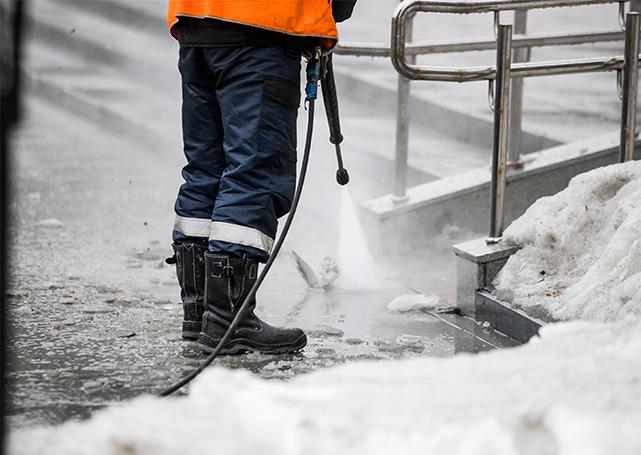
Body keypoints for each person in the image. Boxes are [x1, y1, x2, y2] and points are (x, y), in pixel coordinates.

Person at [165, 0, 357, 355]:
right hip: (263, 27)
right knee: (253, 172)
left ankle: (201, 313)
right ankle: (228, 321)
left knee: (207, 168)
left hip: (196, 22)